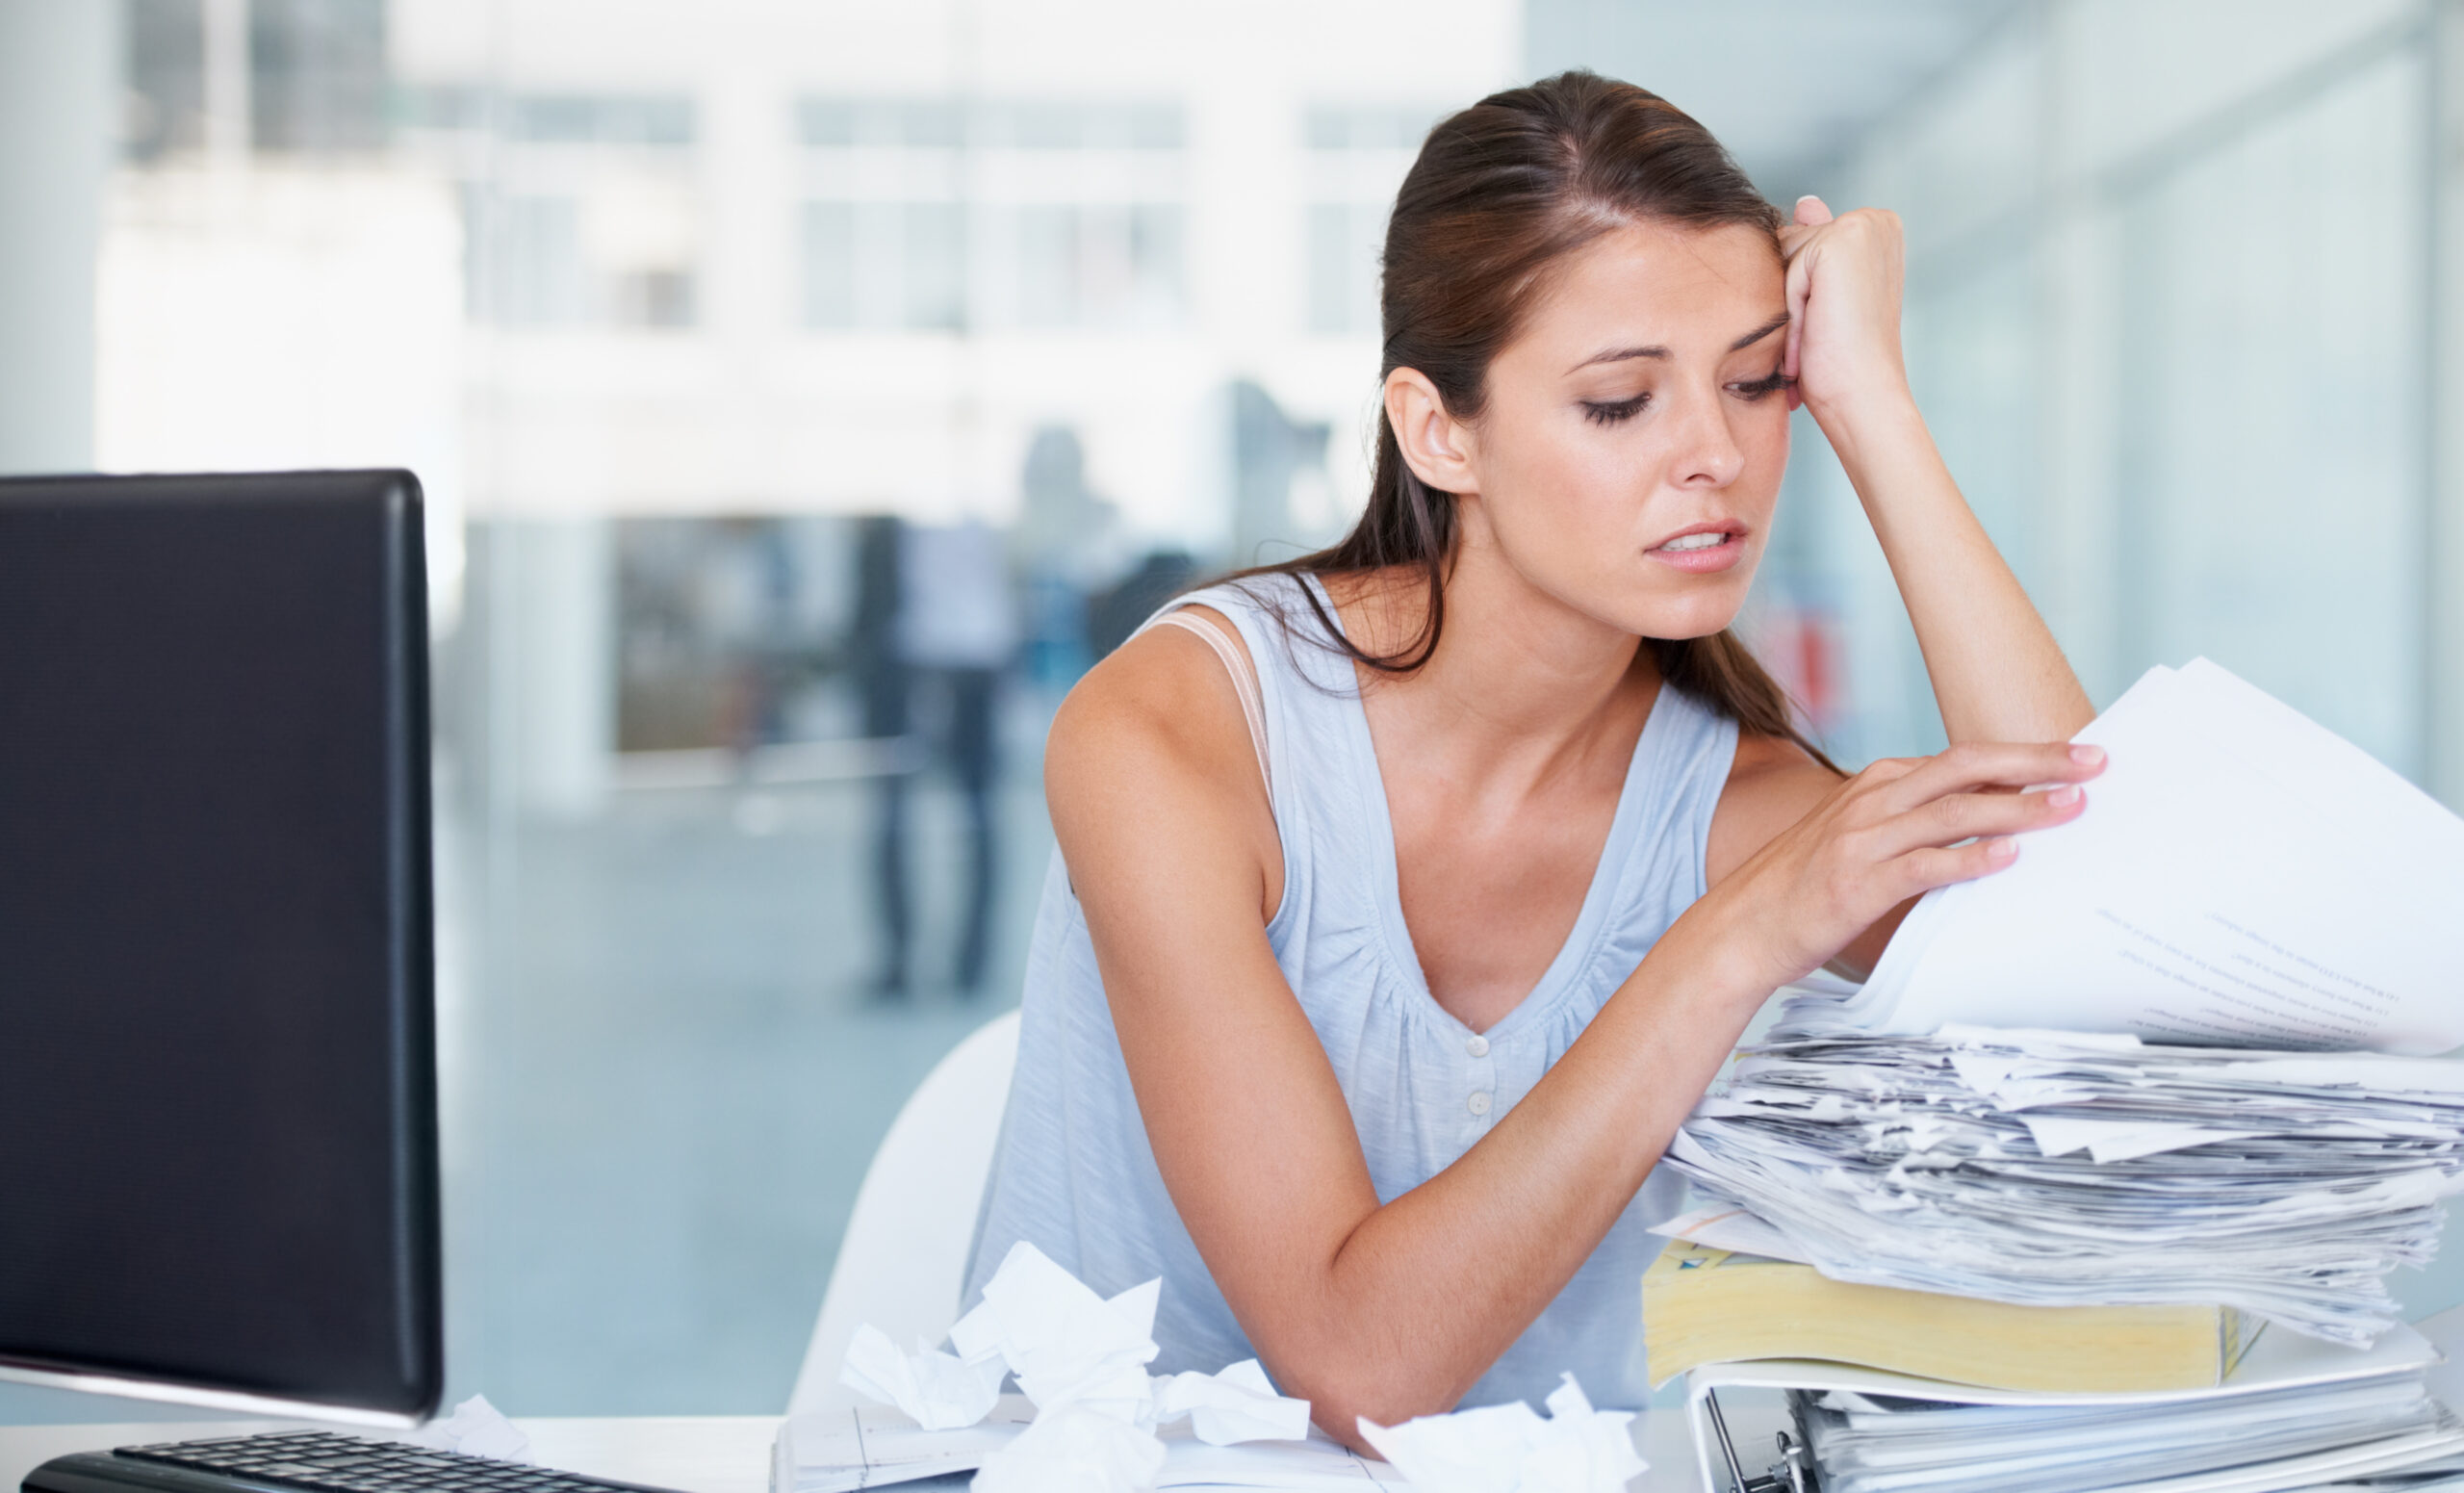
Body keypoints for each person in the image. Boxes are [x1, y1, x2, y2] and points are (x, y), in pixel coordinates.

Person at [964, 71, 2102, 1449]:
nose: (1717, 455)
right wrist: (1738, 941)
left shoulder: (1735, 806)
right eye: (1622, 402)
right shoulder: (1177, 733)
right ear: (1440, 431)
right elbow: (1357, 1369)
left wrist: (1873, 406)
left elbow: (2117, 969)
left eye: (1757, 382)